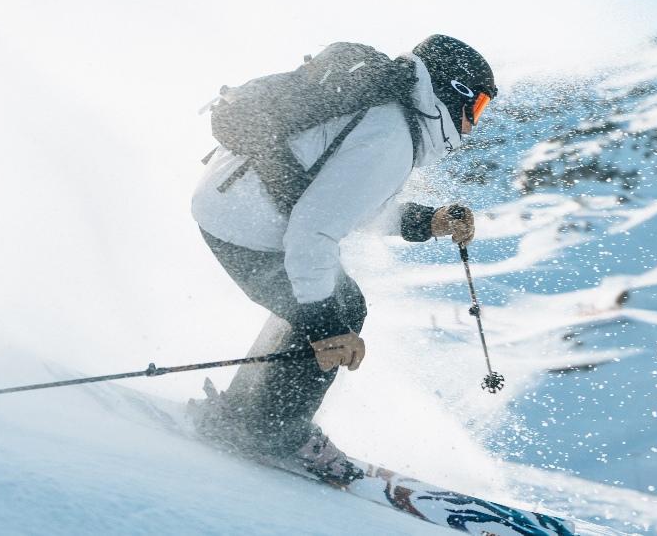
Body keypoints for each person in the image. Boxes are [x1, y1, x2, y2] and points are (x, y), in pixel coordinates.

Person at [190, 34, 497, 483]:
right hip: (246, 227)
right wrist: (328, 329)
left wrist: (426, 221)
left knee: (329, 300)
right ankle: (270, 433)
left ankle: (246, 412)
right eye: (480, 107)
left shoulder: (387, 115)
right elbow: (313, 232)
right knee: (339, 308)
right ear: (455, 93)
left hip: (230, 207)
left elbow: (344, 202)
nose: (474, 124)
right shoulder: (391, 135)